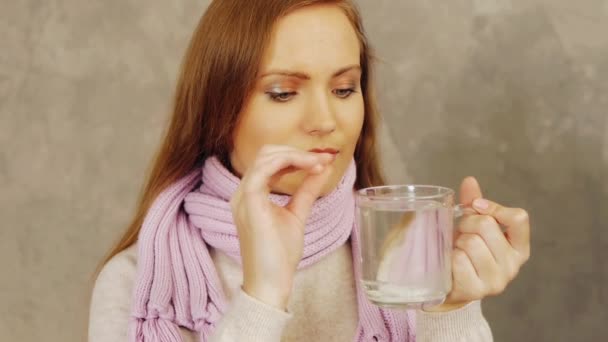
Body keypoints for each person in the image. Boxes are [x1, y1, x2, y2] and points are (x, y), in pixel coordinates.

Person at [88, 1, 531, 341]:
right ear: (218, 111)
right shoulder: (137, 287)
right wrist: (262, 295)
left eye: (343, 89)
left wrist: (453, 311)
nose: (324, 120)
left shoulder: (404, 262)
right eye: (283, 93)